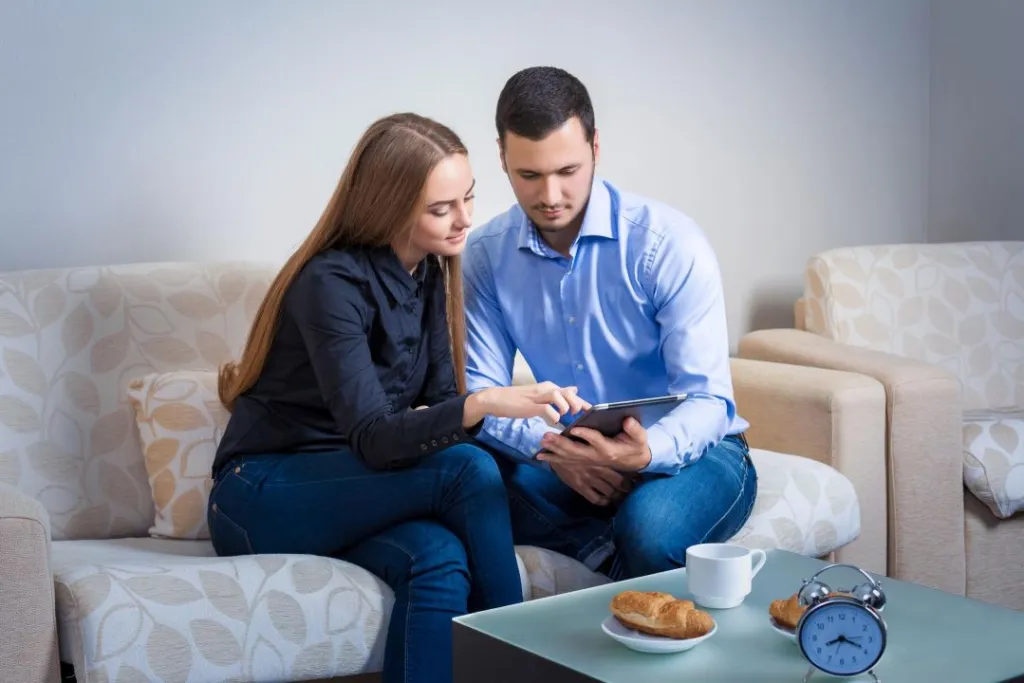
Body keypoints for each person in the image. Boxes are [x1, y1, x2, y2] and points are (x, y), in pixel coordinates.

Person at [207, 112, 588, 683]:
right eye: (442, 209)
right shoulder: (329, 284)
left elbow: (435, 406)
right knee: (466, 469)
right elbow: (377, 438)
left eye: (468, 198)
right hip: (260, 496)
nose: (465, 220)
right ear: (390, 207)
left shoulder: (428, 274)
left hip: (353, 488)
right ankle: (524, 660)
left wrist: (543, 432)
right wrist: (483, 403)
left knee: (437, 559)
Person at [462, 66, 758, 581]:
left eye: (568, 170)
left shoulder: (668, 245)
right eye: (528, 175)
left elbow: (709, 401)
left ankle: (617, 547)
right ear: (502, 158)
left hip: (693, 452)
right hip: (569, 451)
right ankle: (608, 554)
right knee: (461, 475)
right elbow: (483, 394)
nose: (550, 195)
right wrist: (554, 451)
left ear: (596, 147)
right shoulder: (485, 256)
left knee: (650, 526)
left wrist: (646, 453)